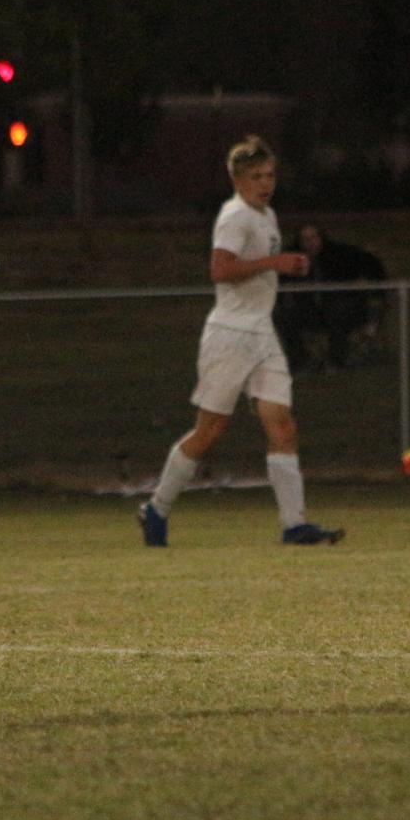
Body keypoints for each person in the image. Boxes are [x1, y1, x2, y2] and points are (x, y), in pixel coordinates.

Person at [136, 135, 345, 547]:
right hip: (230, 335)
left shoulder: (266, 214)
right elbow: (220, 269)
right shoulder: (235, 216)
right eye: (256, 177)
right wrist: (275, 262)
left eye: (270, 175)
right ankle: (156, 508)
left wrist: (285, 266)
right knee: (209, 432)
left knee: (281, 423)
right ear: (237, 178)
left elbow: (255, 267)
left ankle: (294, 525)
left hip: (261, 333)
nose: (266, 183)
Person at [274, 222, 388, 372]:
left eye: (313, 238)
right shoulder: (291, 259)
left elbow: (374, 267)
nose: (310, 243)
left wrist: (375, 298)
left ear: (321, 238)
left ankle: (336, 361)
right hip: (311, 311)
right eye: (305, 239)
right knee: (282, 315)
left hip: (343, 310)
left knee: (337, 311)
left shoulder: (341, 254)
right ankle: (299, 360)